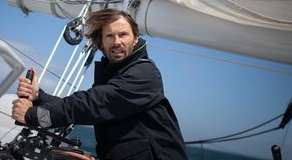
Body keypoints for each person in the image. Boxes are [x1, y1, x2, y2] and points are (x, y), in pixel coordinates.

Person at [12, 9, 187, 160]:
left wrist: (32, 116)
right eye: (110, 36)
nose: (117, 41)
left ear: (135, 39)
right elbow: (86, 106)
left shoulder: (145, 74)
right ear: (101, 43)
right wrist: (39, 97)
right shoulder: (113, 75)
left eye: (123, 34)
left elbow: (92, 104)